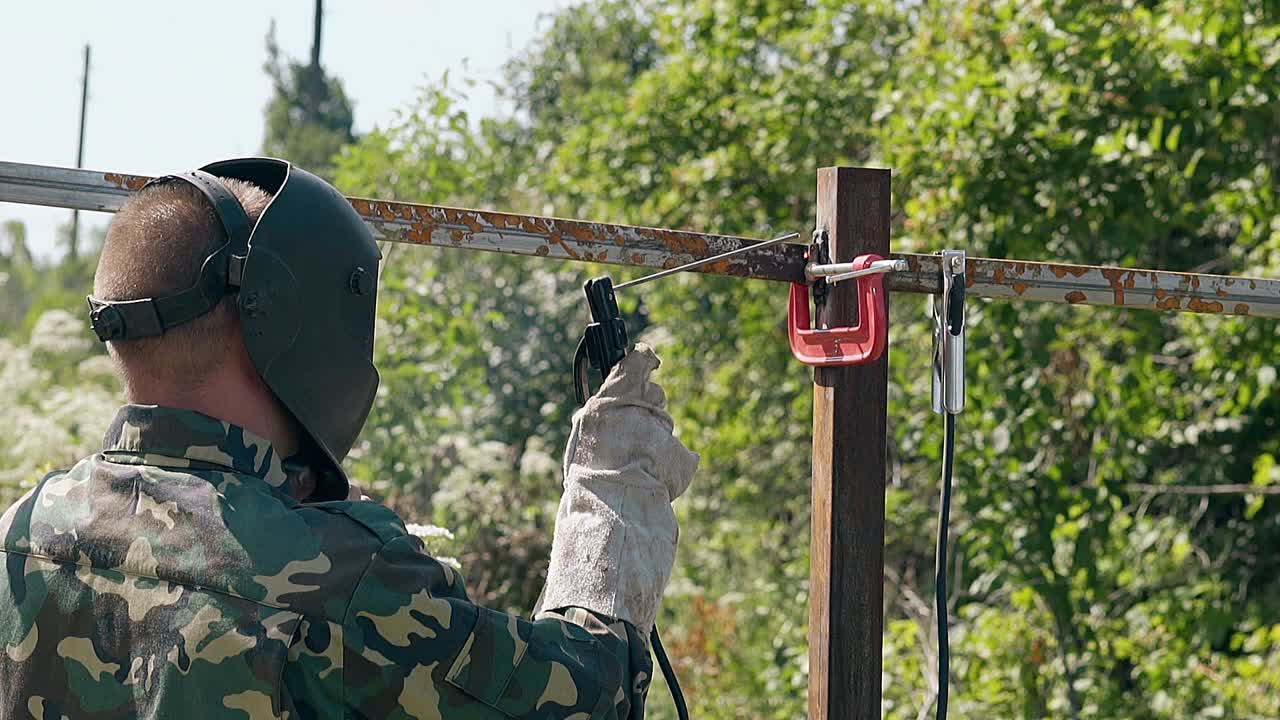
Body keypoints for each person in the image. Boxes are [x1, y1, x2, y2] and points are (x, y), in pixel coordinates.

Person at [0, 159, 698, 718]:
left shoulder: (17, 536)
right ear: (282, 314)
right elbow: (586, 696)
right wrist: (612, 488)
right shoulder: (341, 581)